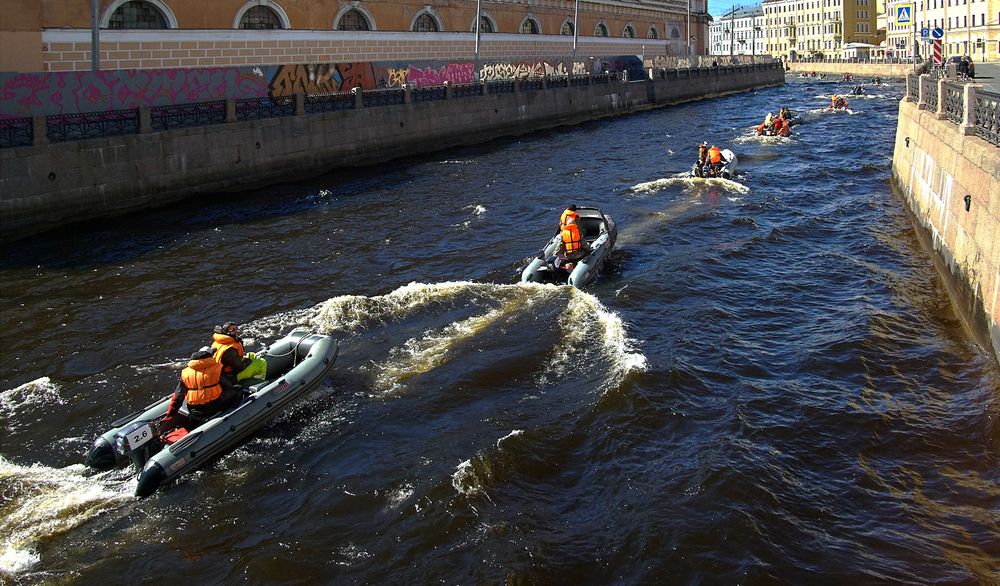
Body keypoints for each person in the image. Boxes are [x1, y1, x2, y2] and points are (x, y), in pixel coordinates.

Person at [162, 347, 243, 427]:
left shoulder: (185, 373)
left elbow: (178, 396)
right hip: (215, 406)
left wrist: (170, 414)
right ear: (209, 356)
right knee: (237, 389)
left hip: (195, 410)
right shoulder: (217, 368)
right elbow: (228, 386)